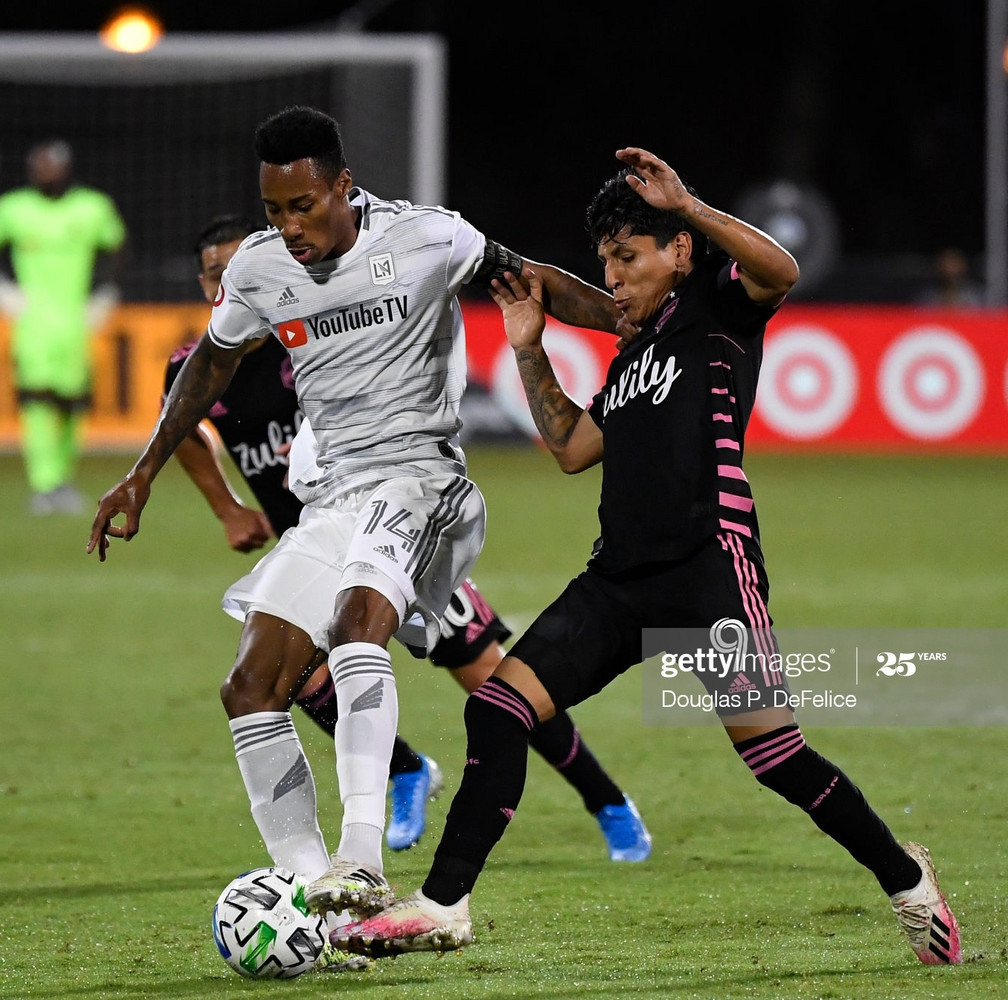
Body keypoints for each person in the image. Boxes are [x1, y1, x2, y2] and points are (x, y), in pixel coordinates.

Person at [332, 148, 962, 968]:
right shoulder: (633, 352)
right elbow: (569, 447)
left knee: (775, 758)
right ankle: (442, 907)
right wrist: (530, 346)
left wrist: (691, 204)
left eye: (628, 257)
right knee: (497, 707)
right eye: (606, 261)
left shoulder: (719, 309)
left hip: (709, 569)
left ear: (680, 252)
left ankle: (906, 879)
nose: (614, 276)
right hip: (619, 581)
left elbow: (784, 268)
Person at [87, 106, 627, 923]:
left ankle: (361, 861)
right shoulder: (262, 269)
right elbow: (209, 364)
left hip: (423, 483)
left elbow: (534, 279)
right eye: (274, 210)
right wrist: (142, 472)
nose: (288, 226)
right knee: (249, 686)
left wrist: (634, 320)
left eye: (302, 206)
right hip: (335, 498)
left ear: (342, 186)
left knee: (356, 621)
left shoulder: (427, 239)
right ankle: (316, 896)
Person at [171, 212, 651, 859]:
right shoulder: (201, 364)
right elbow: (180, 429)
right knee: (293, 676)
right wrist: (227, 507)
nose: (229, 284)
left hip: (395, 533)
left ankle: (607, 801)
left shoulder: (306, 334)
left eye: (236, 269)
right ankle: (403, 771)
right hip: (314, 547)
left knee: (487, 674)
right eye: (214, 276)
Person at [0, 139, 128, 515]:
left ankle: (62, 479)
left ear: (67, 168)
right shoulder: (14, 208)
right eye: (39, 166)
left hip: (77, 319)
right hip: (33, 320)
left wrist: (105, 292)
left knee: (72, 402)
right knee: (36, 398)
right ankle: (43, 482)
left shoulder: (92, 207)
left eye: (52, 166)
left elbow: (118, 248)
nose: (46, 173)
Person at [914, 246, 984, 308]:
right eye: (945, 263)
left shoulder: (975, 296)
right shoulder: (926, 297)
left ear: (963, 266)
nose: (948, 269)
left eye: (954, 263)